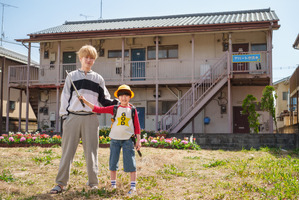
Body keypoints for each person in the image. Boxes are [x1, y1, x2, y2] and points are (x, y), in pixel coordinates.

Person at [50, 45, 119, 194]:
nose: (88, 60)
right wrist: (65, 116)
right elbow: (65, 98)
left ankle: (93, 183)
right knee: (67, 152)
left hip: (91, 118)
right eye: (86, 57)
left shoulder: (98, 78)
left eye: (91, 58)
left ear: (94, 60)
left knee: (92, 152)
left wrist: (118, 104)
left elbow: (104, 99)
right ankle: (60, 183)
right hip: (72, 117)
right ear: (80, 58)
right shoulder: (71, 76)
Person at [79, 84, 141, 195]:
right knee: (113, 163)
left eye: (126, 95)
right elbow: (98, 109)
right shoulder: (114, 108)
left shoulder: (133, 110)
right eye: (121, 95)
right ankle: (113, 185)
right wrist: (85, 101)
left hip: (128, 140)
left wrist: (138, 140)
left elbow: (137, 126)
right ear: (118, 97)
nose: (124, 97)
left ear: (130, 97)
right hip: (114, 140)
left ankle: (133, 187)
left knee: (131, 163)